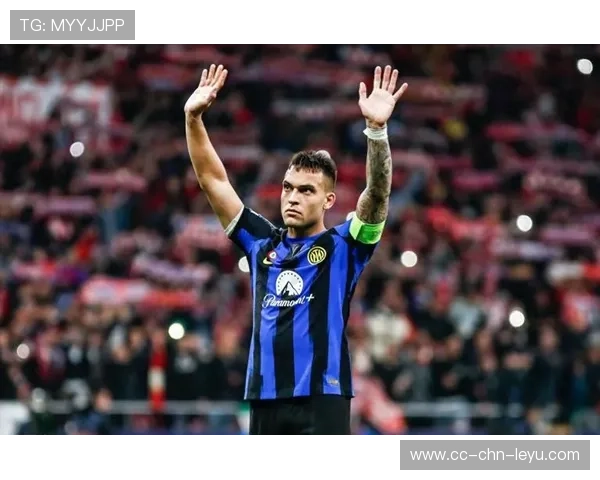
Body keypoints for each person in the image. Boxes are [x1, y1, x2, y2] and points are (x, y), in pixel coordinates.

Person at [184, 63, 407, 439]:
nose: (292, 197)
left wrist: (376, 132)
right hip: (265, 398)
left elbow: (377, 194)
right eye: (288, 187)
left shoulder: (344, 246)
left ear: (328, 200)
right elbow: (213, 180)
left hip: (323, 398)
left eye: (306, 191)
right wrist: (193, 119)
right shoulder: (260, 243)